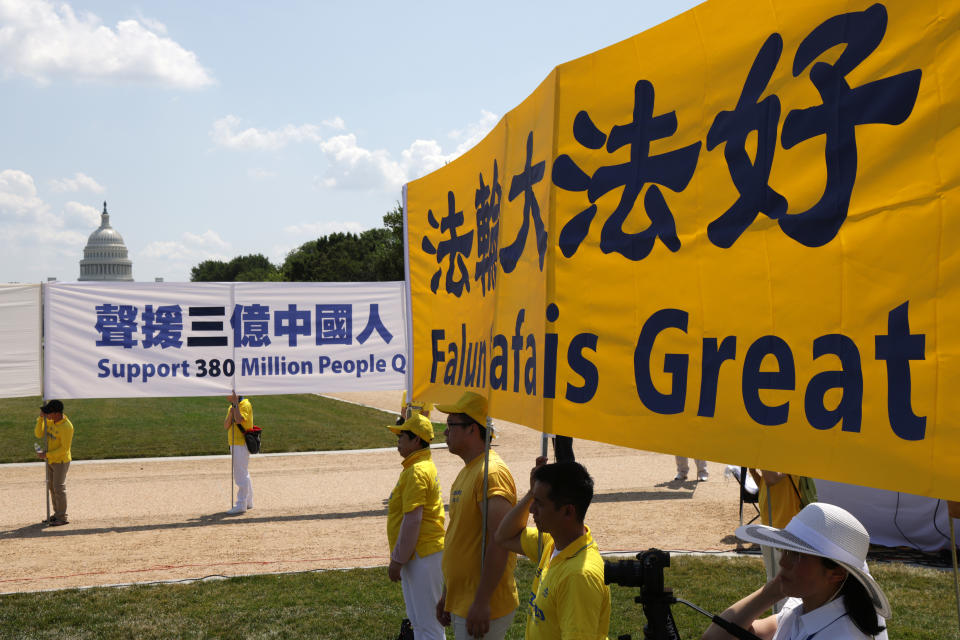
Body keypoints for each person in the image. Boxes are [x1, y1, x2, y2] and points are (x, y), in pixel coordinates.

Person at [702, 502, 890, 640]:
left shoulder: (841, 634)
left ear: (837, 573)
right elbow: (718, 637)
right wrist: (772, 590)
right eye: (785, 550)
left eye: (798, 556)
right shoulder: (802, 611)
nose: (783, 561)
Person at [495, 457, 610, 639]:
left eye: (539, 503)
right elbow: (503, 536)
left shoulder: (578, 577)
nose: (532, 509)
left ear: (568, 511)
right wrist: (531, 492)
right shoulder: (552, 542)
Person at [434, 391, 519, 639]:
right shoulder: (470, 470)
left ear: (472, 429)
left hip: (482, 605)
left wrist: (482, 601)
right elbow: (463, 536)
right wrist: (448, 594)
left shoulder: (490, 473)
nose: (445, 432)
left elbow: (500, 540)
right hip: (464, 600)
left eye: (451, 425)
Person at [386, 411, 446, 640]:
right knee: (420, 625)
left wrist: (397, 560)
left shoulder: (417, 472)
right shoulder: (417, 468)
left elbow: (413, 521)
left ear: (416, 440)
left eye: (402, 436)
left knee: (428, 627)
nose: (398, 441)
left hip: (422, 555)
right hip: (419, 555)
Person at [749, 469, 803, 589]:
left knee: (782, 579)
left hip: (784, 522)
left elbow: (771, 479)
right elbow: (765, 485)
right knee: (773, 577)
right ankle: (780, 607)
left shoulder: (774, 455)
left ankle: (784, 607)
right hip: (770, 521)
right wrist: (752, 471)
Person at [34, 400, 74, 526]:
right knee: (52, 487)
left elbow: (64, 449)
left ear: (56, 413)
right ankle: (56, 515)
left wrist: (47, 455)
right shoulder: (50, 421)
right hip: (51, 459)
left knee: (59, 488)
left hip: (61, 461)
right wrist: (41, 419)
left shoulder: (67, 427)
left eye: (48, 413)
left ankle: (62, 517)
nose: (47, 415)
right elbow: (38, 434)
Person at [224, 391, 253, 515]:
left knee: (240, 474)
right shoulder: (232, 406)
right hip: (234, 443)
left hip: (240, 443)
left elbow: (239, 420)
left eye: (228, 393)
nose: (225, 395)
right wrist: (232, 408)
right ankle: (248, 501)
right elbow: (226, 425)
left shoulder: (245, 404)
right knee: (243, 472)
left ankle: (241, 504)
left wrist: (235, 404)